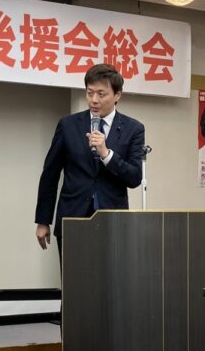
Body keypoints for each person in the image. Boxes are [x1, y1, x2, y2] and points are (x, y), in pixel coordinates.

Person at [35, 63, 145, 259]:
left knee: (111, 277)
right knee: (74, 276)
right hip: (72, 217)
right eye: (89, 93)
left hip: (113, 222)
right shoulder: (68, 125)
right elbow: (50, 174)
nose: (94, 100)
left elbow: (135, 177)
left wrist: (106, 154)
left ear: (117, 95)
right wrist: (43, 220)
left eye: (101, 94)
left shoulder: (134, 129)